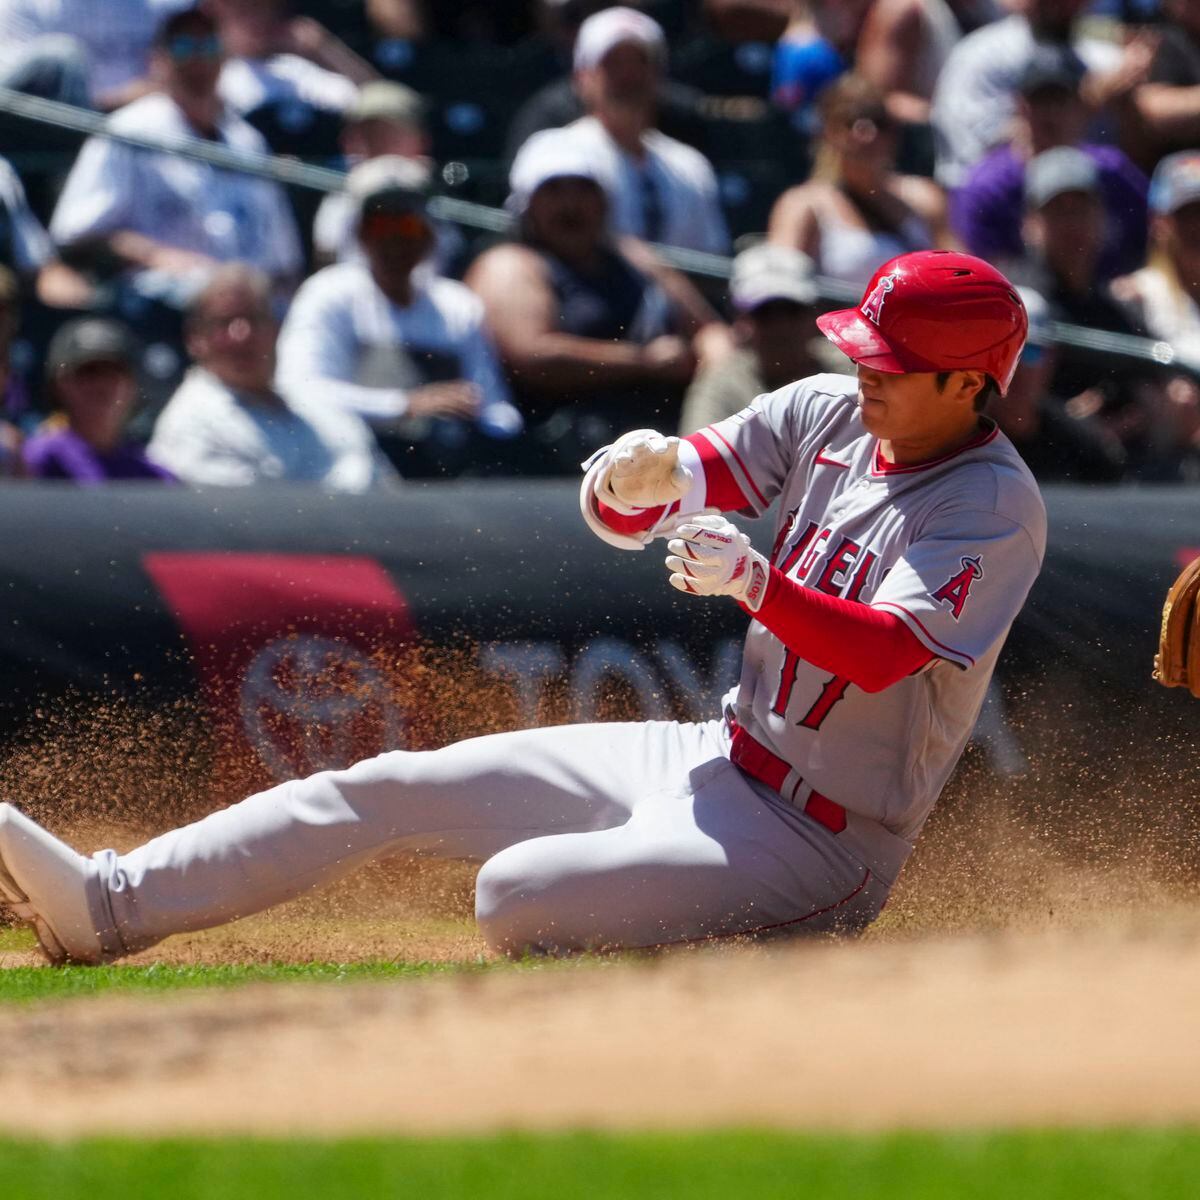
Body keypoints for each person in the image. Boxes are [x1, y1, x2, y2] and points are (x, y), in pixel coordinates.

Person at [0, 249, 1047, 965]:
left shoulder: (991, 503)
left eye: (892, 364)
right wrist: (635, 476)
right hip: (717, 753)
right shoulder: (829, 409)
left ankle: (764, 976)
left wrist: (758, 583)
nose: (863, 371)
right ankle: (110, 905)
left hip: (821, 839)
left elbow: (882, 658)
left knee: (515, 898)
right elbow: (679, 483)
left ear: (967, 385)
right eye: (863, 349)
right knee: (386, 784)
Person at [465, 126, 726, 471]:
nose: (570, 205)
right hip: (558, 459)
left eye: (583, 189)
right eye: (554, 190)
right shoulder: (509, 265)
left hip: (658, 449)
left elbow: (708, 329)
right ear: (528, 203)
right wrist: (644, 362)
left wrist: (717, 368)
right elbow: (533, 356)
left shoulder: (634, 259)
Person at [274, 156, 523, 479]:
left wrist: (479, 420)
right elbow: (299, 388)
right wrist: (405, 406)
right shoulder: (327, 293)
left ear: (429, 235)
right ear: (360, 233)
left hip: (450, 471)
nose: (394, 239)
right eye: (380, 225)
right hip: (352, 467)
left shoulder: (457, 304)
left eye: (407, 225)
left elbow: (498, 409)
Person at [48, 6, 304, 309]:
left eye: (209, 46)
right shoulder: (128, 130)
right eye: (183, 47)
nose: (197, 60)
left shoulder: (248, 141)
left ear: (225, 57)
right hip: (168, 301)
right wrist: (156, 256)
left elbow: (285, 260)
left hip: (253, 304)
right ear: (156, 61)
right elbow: (76, 231)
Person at [146, 264, 397, 491]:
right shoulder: (191, 424)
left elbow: (380, 477)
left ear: (276, 329)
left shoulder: (316, 402)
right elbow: (253, 524)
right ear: (195, 339)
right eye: (224, 322)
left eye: (253, 318)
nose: (241, 334)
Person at [511, 6, 729, 254]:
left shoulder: (690, 166)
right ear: (582, 77)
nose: (628, 76)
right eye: (611, 63)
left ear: (660, 75)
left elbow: (710, 262)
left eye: (640, 62)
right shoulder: (552, 153)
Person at [951, 48, 1149, 280]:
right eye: (1040, 101)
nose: (1050, 114)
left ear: (1081, 105)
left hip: (1111, 304)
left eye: (1060, 100)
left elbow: (1154, 239)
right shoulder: (987, 187)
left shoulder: (1114, 171)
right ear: (1021, 107)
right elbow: (980, 272)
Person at [767, 74, 954, 289]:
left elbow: (962, 278)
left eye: (879, 122)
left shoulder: (924, 198)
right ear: (827, 132)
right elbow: (778, 289)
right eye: (851, 121)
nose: (868, 134)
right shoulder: (803, 205)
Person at [1110, 150, 1200, 477]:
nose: (1197, 228)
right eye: (1186, 215)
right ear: (1159, 223)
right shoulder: (1133, 296)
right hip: (1163, 470)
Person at [678, 242, 824, 433]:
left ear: (815, 314)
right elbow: (694, 455)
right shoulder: (724, 381)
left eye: (791, 310)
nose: (780, 326)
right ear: (740, 320)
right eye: (764, 313)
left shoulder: (851, 367)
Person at [21, 317, 175, 483]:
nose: (102, 385)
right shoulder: (34, 460)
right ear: (60, 382)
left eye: (114, 371)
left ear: (133, 384)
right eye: (89, 371)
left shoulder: (154, 477)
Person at [0, 0, 191, 111]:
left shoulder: (171, 6)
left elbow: (185, 78)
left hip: (142, 125)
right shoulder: (26, 4)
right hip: (54, 134)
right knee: (61, 54)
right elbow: (15, 88)